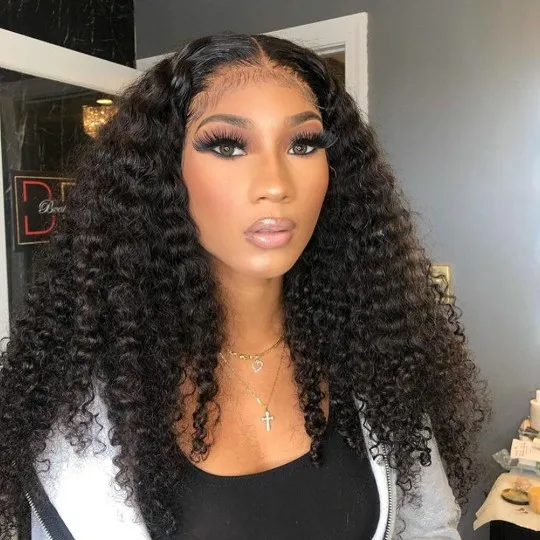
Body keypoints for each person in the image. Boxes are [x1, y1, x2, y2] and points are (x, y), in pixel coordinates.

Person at [0, 33, 490, 540]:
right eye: (228, 145)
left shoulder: (375, 355)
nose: (276, 184)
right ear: (162, 173)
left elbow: (430, 528)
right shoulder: (75, 403)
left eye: (303, 144)